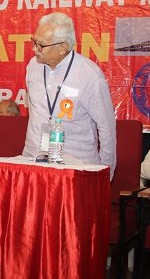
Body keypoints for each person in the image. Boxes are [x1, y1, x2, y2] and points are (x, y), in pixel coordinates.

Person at [22, 12, 116, 176]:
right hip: (33, 159)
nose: (34, 49)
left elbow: (106, 127)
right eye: (34, 41)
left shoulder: (90, 75)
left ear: (62, 48)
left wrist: (105, 174)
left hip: (75, 166)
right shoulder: (33, 67)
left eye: (41, 45)